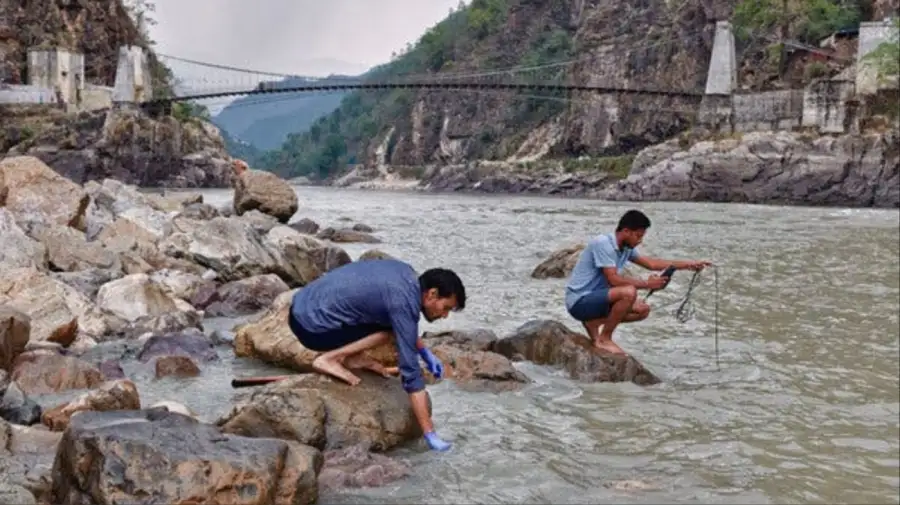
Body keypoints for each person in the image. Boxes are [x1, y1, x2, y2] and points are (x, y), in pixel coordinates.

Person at [288, 258, 466, 452]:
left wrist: (425, 352)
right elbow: (410, 373)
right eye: (446, 307)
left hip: (301, 307)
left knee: (393, 324)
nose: (445, 315)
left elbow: (404, 323)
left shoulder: (406, 276)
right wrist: (430, 433)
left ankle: (353, 357)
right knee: (389, 333)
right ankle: (330, 358)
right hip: (311, 328)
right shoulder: (402, 301)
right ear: (432, 294)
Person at [564, 209, 711, 355]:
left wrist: (689, 265)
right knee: (628, 292)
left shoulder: (626, 248)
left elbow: (652, 264)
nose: (640, 241)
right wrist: (647, 284)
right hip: (579, 301)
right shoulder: (604, 244)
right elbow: (613, 279)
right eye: (638, 236)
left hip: (597, 299)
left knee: (642, 310)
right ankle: (604, 339)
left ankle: (593, 323)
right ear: (626, 231)